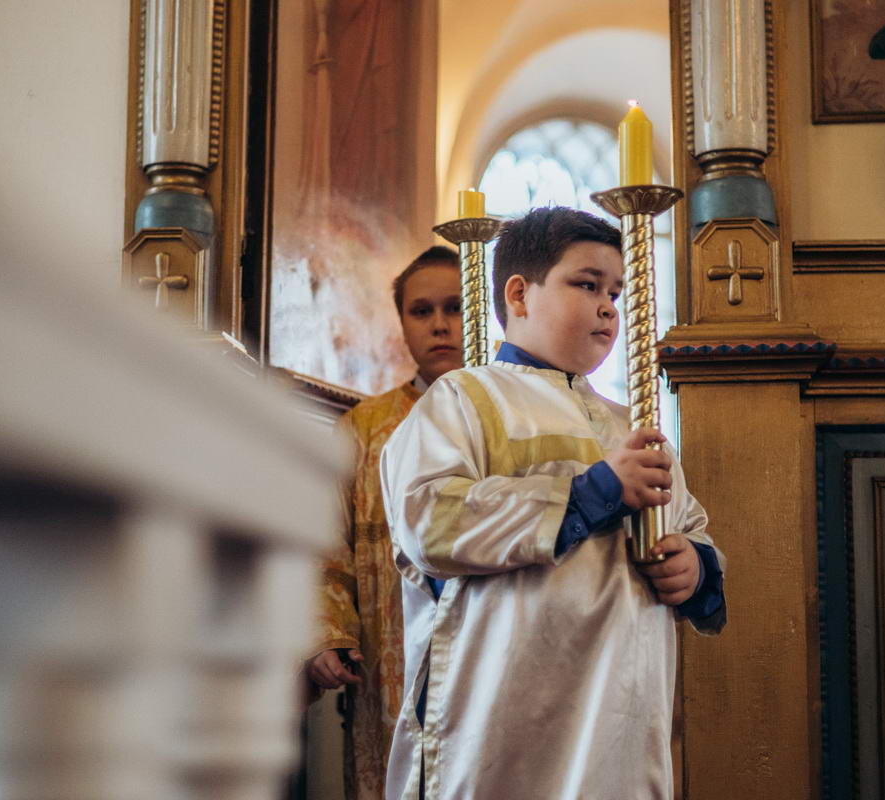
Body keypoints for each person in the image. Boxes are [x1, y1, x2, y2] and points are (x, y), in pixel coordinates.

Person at [379, 207, 727, 800]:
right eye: (587, 285)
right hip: (505, 720)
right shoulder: (464, 399)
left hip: (619, 719)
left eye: (615, 292)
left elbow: (690, 525)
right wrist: (594, 493)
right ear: (519, 294)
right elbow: (430, 521)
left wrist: (694, 566)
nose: (608, 308)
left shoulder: (631, 425)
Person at [306, 245, 463, 800]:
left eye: (454, 307)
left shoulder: (508, 416)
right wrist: (328, 635)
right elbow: (327, 547)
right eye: (422, 311)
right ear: (401, 322)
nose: (439, 324)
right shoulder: (362, 428)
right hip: (388, 664)